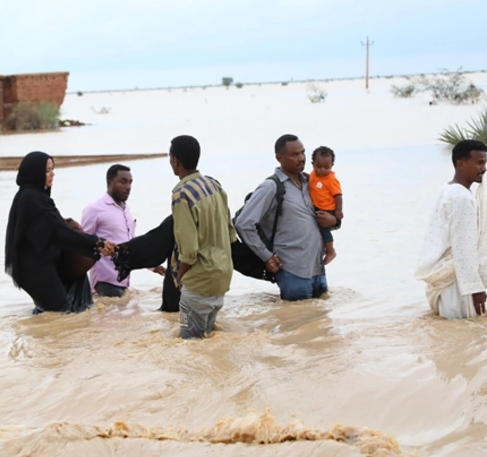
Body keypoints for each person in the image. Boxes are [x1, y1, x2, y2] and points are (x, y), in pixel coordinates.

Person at [5, 151, 116, 314]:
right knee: (60, 312)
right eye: (47, 170)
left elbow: (52, 229)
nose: (52, 174)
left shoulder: (31, 196)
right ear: (35, 173)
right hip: (36, 270)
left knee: (51, 316)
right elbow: (58, 233)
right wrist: (96, 242)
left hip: (37, 267)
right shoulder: (32, 199)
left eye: (52, 169)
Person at [235, 134, 338, 301]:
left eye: (303, 153)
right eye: (294, 154)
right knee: (297, 323)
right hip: (292, 272)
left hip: (318, 270)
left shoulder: (310, 183)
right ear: (279, 158)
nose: (301, 158)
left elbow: (326, 216)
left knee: (321, 324)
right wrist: (266, 256)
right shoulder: (271, 187)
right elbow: (243, 223)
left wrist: (334, 221)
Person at [414, 139, 487, 319]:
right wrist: (475, 288)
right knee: (467, 337)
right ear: (461, 163)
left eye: (485, 163)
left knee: (450, 335)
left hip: (448, 276)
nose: (484, 168)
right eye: (479, 162)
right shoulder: (461, 198)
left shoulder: (448, 189)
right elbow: (463, 248)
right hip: (457, 282)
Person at [168, 135, 234, 339]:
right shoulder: (214, 185)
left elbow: (188, 250)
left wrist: (180, 278)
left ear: (175, 161)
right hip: (221, 277)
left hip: (198, 282)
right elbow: (231, 232)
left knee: (189, 344)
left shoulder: (181, 195)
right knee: (208, 338)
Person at [81, 164, 165, 298]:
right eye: (123, 182)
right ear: (109, 183)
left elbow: (131, 244)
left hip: (124, 280)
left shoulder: (126, 209)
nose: (128, 187)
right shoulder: (94, 209)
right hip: (104, 281)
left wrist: (152, 265)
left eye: (130, 182)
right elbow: (82, 242)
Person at [308, 146, 343, 265]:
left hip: (329, 210)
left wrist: (339, 211)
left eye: (326, 167)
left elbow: (338, 195)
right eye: (319, 167)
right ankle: (321, 249)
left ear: (332, 165)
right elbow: (309, 181)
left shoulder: (331, 179)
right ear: (313, 164)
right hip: (317, 207)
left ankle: (330, 251)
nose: (322, 170)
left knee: (324, 230)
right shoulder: (313, 175)